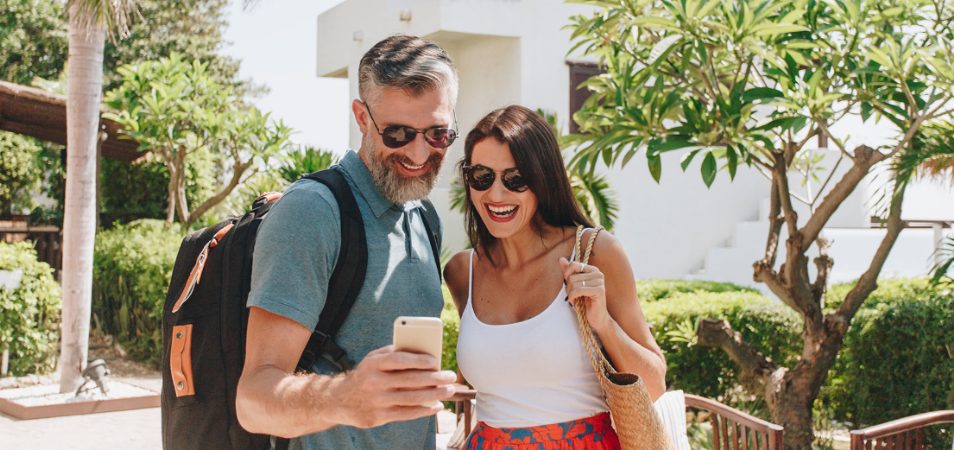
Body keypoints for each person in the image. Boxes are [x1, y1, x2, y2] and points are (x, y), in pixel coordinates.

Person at [236, 35, 460, 449]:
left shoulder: (424, 215)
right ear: (361, 116)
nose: (418, 152)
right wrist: (345, 397)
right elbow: (253, 399)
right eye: (397, 133)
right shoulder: (312, 212)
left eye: (437, 134)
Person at [444, 105, 668, 449]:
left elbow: (653, 386)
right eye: (482, 177)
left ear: (542, 180)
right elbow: (492, 376)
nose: (496, 194)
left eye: (515, 179)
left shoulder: (596, 252)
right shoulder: (462, 271)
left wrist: (603, 322)